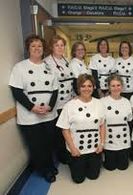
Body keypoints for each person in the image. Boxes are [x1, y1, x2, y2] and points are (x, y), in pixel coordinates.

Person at [9, 34, 58, 182]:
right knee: (37, 145)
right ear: (28, 49)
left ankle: (48, 165)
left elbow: (55, 90)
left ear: (43, 49)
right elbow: (16, 91)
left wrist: (50, 106)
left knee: (49, 142)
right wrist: (32, 107)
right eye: (33, 46)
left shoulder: (49, 67)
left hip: (48, 113)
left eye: (40, 46)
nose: (37, 48)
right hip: (29, 115)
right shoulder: (20, 67)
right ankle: (46, 170)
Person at [56, 74, 105, 184]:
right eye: (83, 86)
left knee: (93, 176)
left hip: (94, 148)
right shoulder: (69, 105)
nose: (86, 89)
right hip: (77, 150)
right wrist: (72, 148)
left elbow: (102, 125)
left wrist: (101, 144)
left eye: (89, 86)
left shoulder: (99, 103)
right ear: (78, 88)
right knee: (78, 179)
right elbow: (65, 129)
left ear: (93, 87)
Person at [44, 35, 74, 164]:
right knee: (59, 132)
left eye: (62, 45)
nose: (60, 48)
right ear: (51, 47)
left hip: (69, 101)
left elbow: (71, 81)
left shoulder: (66, 61)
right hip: (56, 103)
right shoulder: (46, 62)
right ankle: (62, 156)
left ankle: (68, 152)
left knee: (68, 129)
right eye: (57, 45)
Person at [101, 74, 133, 171]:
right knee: (110, 167)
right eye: (113, 86)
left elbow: (129, 120)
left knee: (123, 167)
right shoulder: (102, 101)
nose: (116, 88)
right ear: (109, 87)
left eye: (118, 85)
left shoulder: (127, 102)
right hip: (109, 140)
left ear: (122, 87)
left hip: (123, 139)